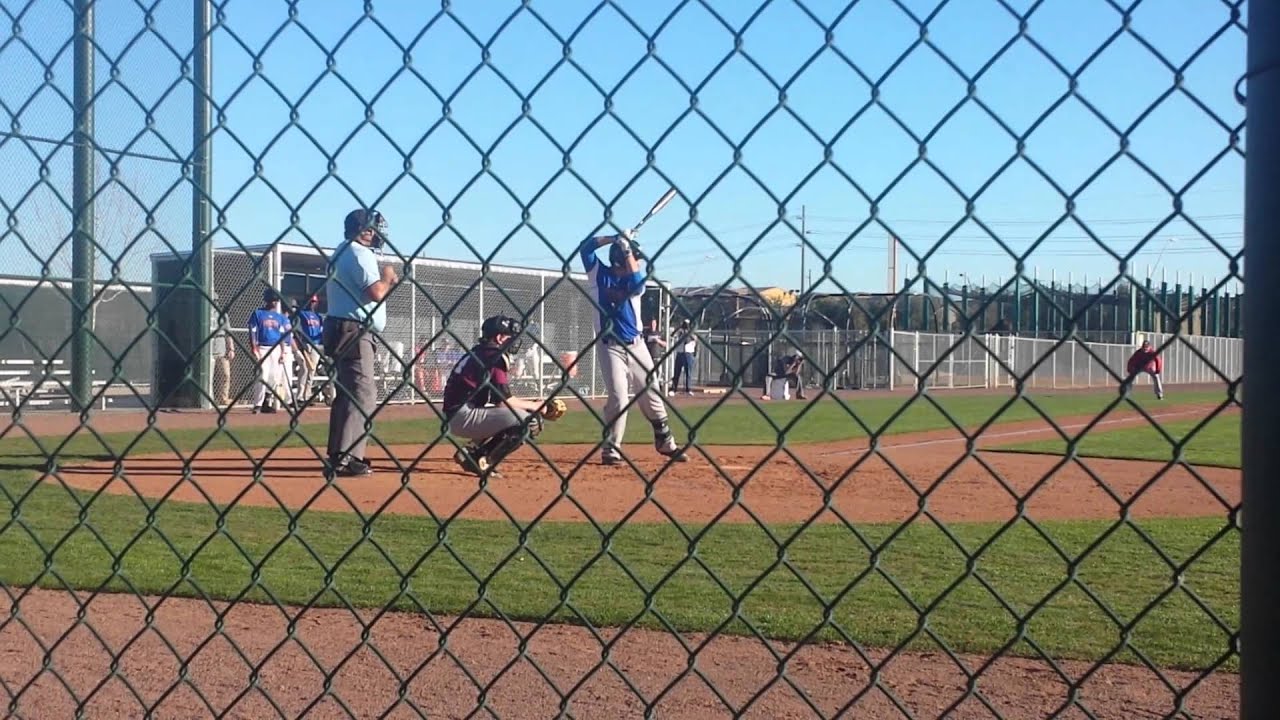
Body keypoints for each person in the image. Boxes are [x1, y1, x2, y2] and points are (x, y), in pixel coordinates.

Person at [578, 228, 687, 465]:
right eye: (632, 259)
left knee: (652, 392)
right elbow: (585, 247)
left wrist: (626, 246)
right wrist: (613, 238)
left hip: (637, 346)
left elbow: (637, 282)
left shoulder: (634, 280)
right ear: (619, 259)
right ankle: (611, 448)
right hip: (610, 346)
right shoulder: (598, 274)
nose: (636, 263)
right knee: (618, 397)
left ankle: (665, 441)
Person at [323, 208, 399, 477]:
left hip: (341, 328)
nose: (378, 234)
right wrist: (389, 277)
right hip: (353, 330)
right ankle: (346, 458)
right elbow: (376, 292)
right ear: (364, 231)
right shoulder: (359, 252)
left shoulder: (342, 250)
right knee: (362, 393)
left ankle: (340, 454)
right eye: (374, 229)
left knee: (348, 394)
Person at [444, 315, 566, 475]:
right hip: (464, 415)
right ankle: (482, 459)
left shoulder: (480, 352)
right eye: (511, 338)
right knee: (531, 420)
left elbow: (498, 400)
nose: (515, 342)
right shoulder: (494, 356)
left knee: (523, 413)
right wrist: (537, 406)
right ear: (500, 338)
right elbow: (504, 401)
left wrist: (532, 405)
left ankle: (470, 450)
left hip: (459, 413)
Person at [248, 288, 293, 413]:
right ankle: (258, 404)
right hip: (262, 347)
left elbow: (283, 336)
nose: (274, 302)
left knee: (274, 377)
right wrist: (254, 348)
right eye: (272, 299)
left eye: (275, 300)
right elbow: (253, 332)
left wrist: (283, 352)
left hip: (277, 348)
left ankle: (266, 402)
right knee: (263, 374)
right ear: (266, 300)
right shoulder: (258, 313)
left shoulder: (280, 318)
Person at [294, 295, 332, 405]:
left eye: (314, 302)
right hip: (306, 344)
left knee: (312, 371)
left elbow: (321, 331)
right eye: (311, 301)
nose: (312, 304)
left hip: (316, 345)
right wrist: (301, 344)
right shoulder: (302, 314)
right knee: (305, 369)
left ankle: (307, 395)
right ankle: (300, 397)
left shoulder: (318, 316)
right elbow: (298, 330)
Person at [210, 301, 235, 408]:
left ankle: (223, 398)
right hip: (209, 348)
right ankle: (209, 398)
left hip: (221, 348)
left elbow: (228, 333)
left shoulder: (222, 314)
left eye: (216, 301)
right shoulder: (206, 313)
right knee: (209, 376)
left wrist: (231, 348)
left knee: (226, 374)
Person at [670, 319, 696, 396]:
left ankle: (688, 389)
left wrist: (688, 332)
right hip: (680, 352)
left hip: (688, 353)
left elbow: (694, 339)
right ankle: (674, 389)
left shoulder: (692, 332)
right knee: (677, 371)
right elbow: (672, 335)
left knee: (688, 372)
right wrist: (679, 329)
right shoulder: (680, 332)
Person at [643, 318, 668, 393]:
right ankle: (650, 386)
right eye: (651, 324)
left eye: (654, 324)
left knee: (659, 372)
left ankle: (656, 387)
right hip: (649, 356)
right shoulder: (646, 334)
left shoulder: (659, 333)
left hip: (657, 356)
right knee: (649, 372)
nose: (652, 325)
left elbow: (665, 344)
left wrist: (658, 341)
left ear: (656, 324)